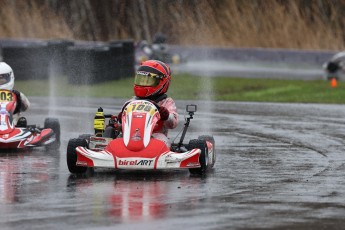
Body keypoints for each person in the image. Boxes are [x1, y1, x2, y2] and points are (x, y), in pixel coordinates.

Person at [118, 60, 178, 148]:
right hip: (130, 137)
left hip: (155, 136)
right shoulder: (130, 103)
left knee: (162, 143)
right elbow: (119, 126)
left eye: (149, 80)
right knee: (116, 140)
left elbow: (173, 123)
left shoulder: (166, 102)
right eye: (141, 80)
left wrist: (166, 115)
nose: (143, 84)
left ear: (162, 82)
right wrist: (120, 119)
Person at [0, 62, 30, 126]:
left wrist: (17, 104)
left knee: (21, 120)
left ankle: (18, 127)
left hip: (14, 125)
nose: (0, 81)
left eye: (2, 78)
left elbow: (26, 107)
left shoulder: (17, 95)